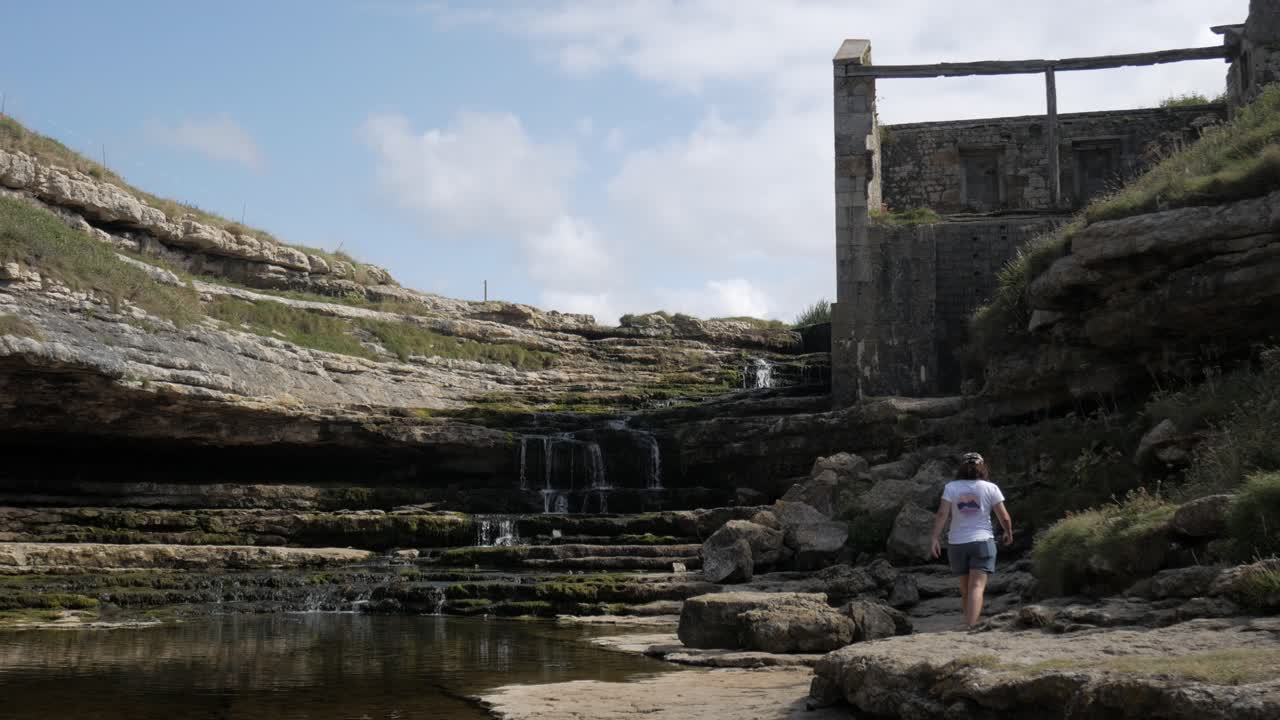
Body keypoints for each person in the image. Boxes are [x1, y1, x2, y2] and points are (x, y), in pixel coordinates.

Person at [929, 452, 1013, 628]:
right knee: (977, 587)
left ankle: (967, 623)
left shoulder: (951, 487)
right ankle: (971, 626)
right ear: (982, 467)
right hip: (982, 542)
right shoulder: (991, 488)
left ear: (962, 467)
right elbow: (1004, 517)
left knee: (965, 589)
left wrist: (935, 538)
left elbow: (942, 513)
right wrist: (1008, 532)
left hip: (957, 544)